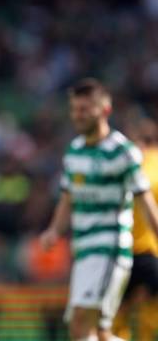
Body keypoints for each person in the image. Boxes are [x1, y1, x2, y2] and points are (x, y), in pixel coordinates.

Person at [40, 78, 158, 341]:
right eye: (74, 109)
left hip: (110, 248)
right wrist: (53, 231)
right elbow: (67, 199)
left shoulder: (123, 152)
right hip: (83, 251)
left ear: (104, 111)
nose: (77, 116)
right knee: (98, 332)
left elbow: (146, 202)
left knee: (81, 322)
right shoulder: (74, 152)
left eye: (84, 109)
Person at [112, 118, 158, 341]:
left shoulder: (131, 167)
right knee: (150, 315)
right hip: (151, 252)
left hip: (125, 252)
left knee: (114, 318)